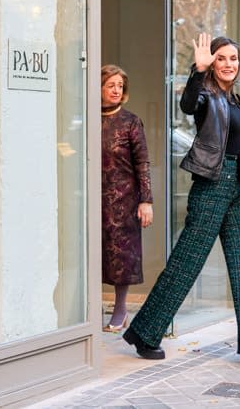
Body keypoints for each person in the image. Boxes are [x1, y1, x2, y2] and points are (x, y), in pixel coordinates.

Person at [123, 34, 240, 364]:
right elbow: (188, 105)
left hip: (233, 187)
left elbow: (228, 143)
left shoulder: (232, 98)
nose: (229, 64)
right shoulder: (207, 93)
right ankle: (144, 333)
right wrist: (196, 71)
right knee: (188, 263)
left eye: (233, 59)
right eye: (222, 59)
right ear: (212, 63)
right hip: (212, 187)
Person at [101, 64, 153, 332]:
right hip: (92, 199)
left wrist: (146, 201)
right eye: (111, 85)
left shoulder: (130, 121)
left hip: (123, 200)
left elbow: (142, 163)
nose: (116, 90)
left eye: (120, 86)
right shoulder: (88, 118)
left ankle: (120, 309)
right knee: (94, 252)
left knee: (121, 256)